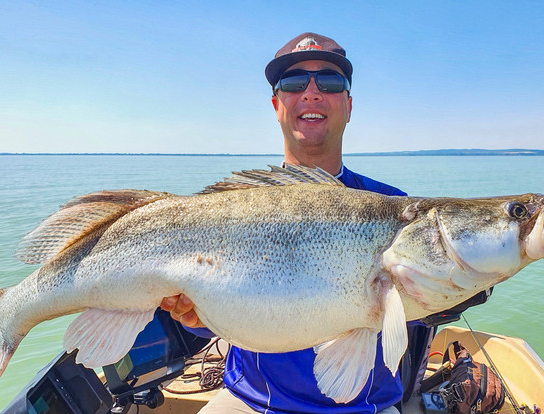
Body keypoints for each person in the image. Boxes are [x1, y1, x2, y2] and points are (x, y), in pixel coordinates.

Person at [161, 32, 430, 414]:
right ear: (276, 104)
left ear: (349, 105)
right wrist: (194, 314)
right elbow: (208, 321)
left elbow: (418, 311)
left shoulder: (393, 207)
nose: (312, 92)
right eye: (293, 83)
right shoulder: (231, 208)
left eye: (330, 82)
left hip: (363, 407)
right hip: (250, 401)